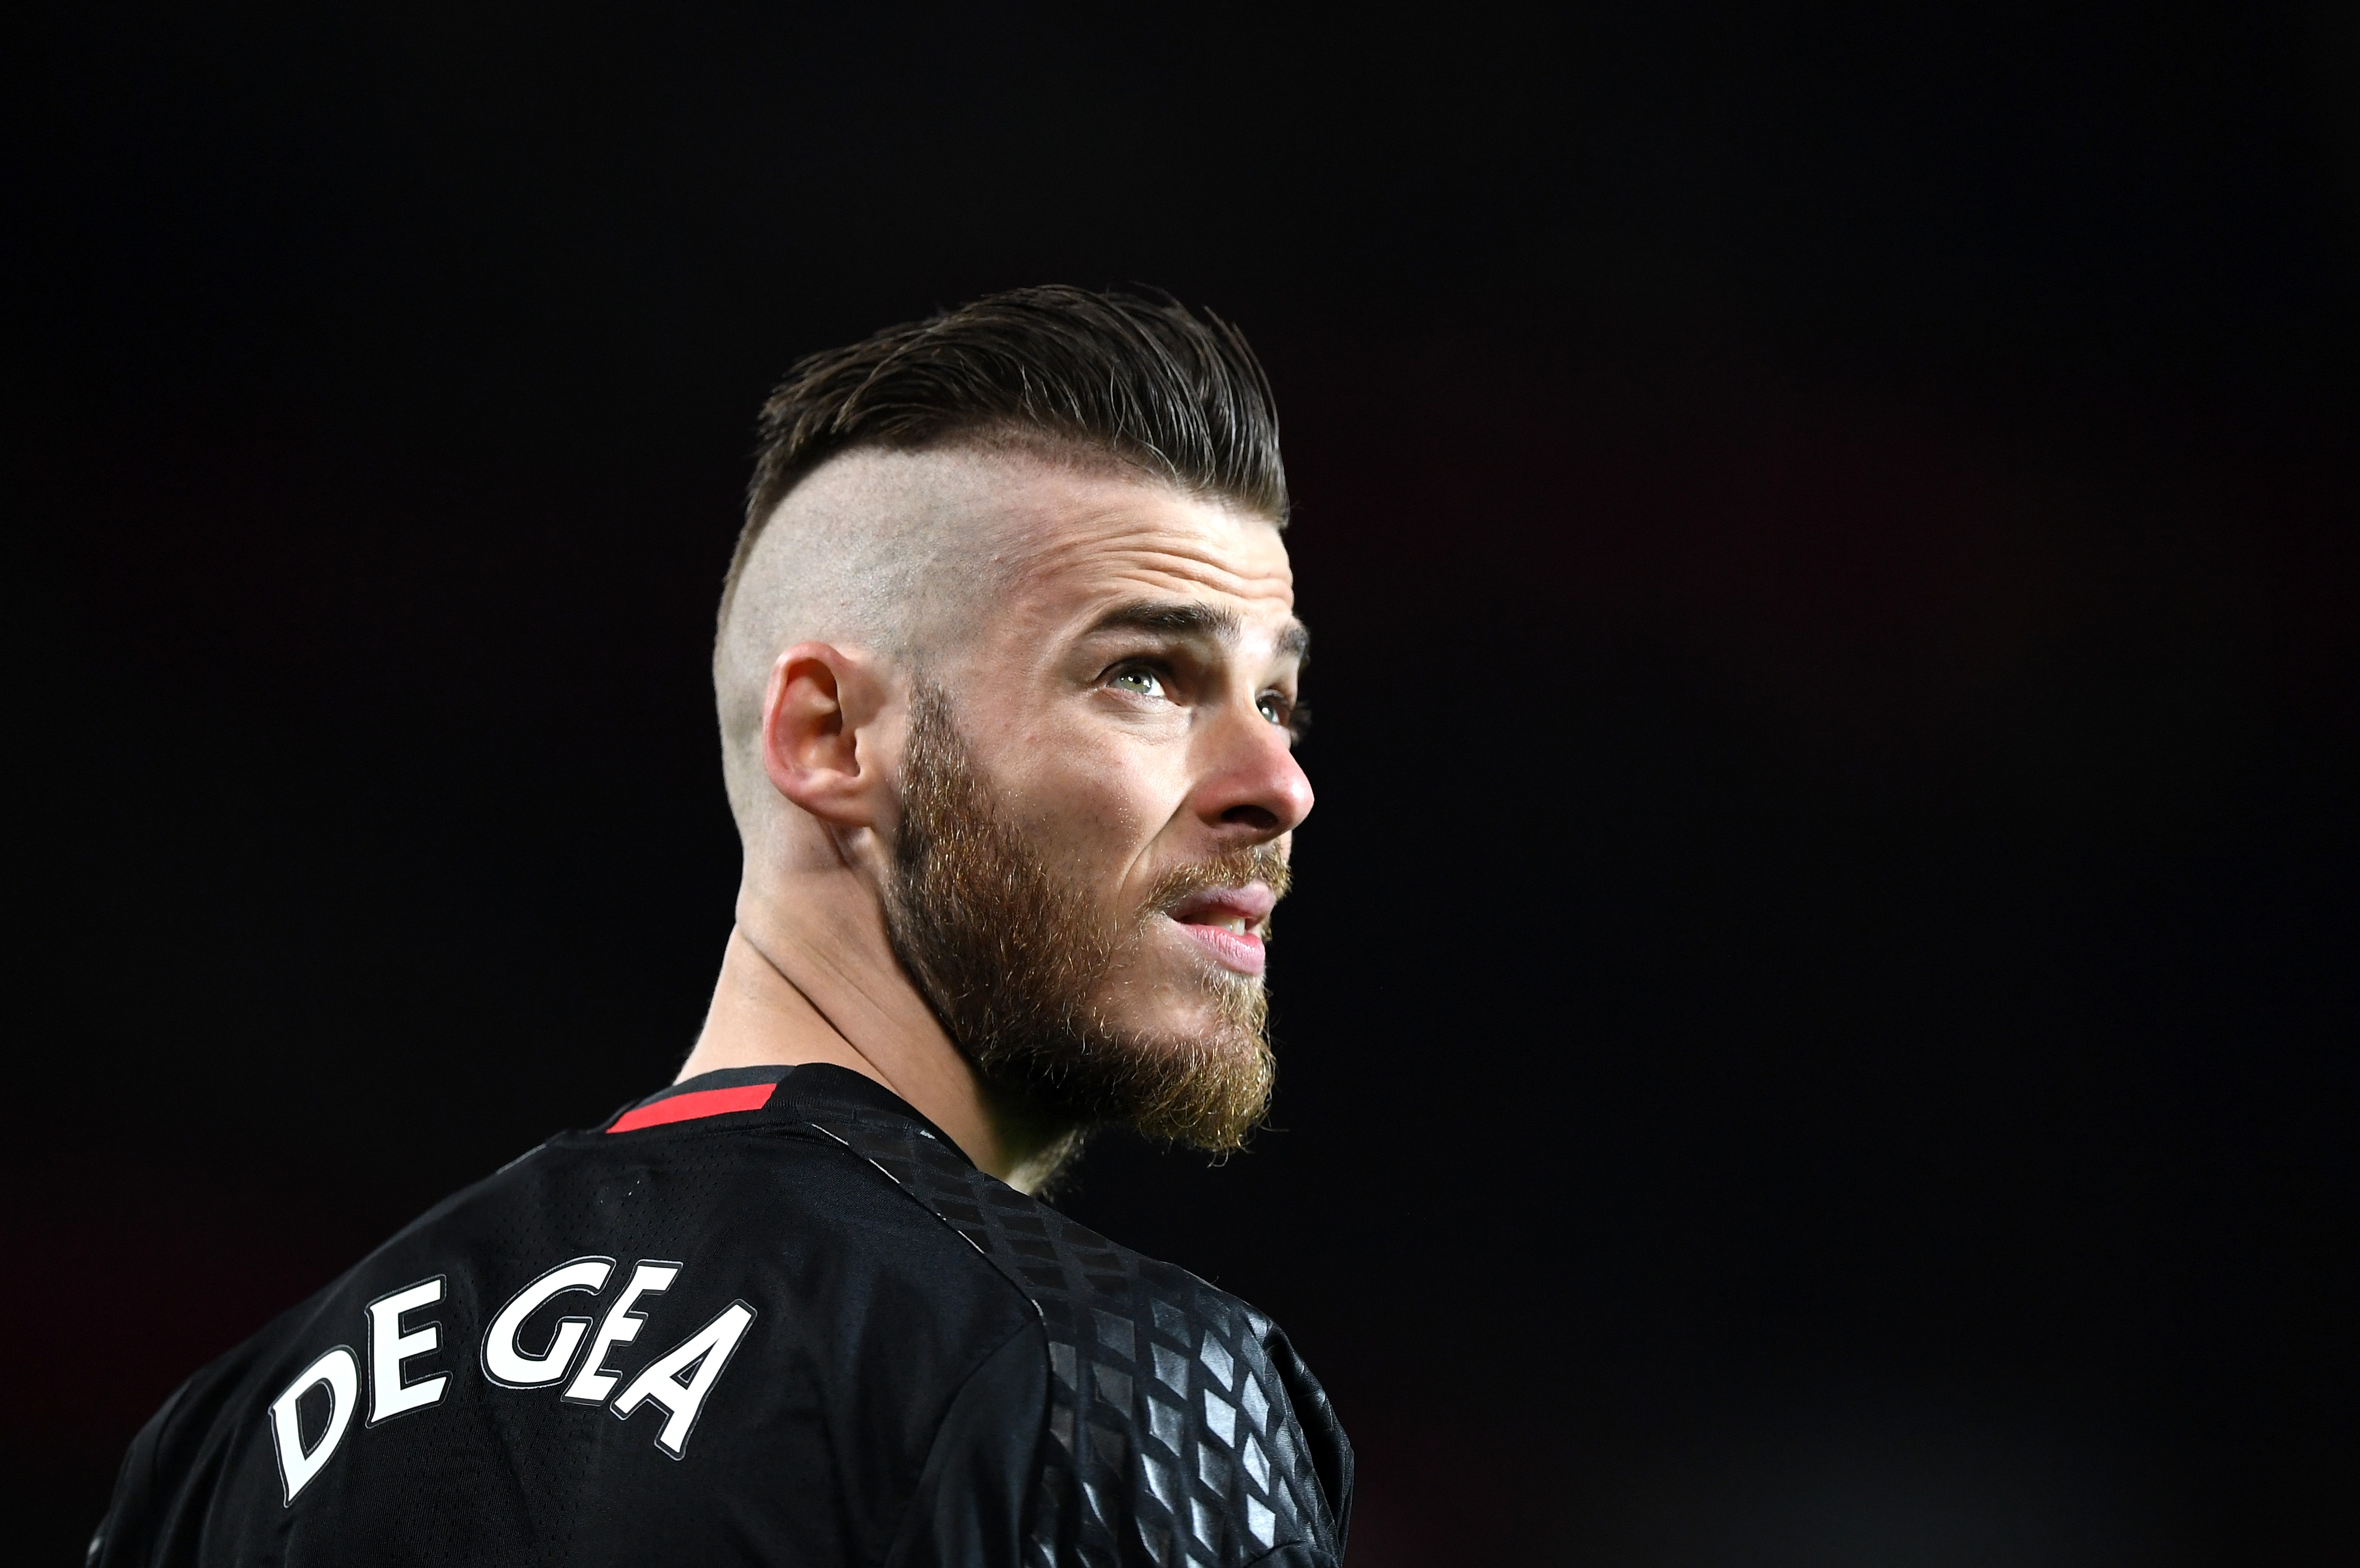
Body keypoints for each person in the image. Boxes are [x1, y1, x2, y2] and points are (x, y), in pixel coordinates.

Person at [90, 287, 1352, 1567]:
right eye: (1145, 674)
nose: (1278, 783)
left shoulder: (219, 1444)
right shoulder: (1100, 1380)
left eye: (1277, 698)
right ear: (831, 737)